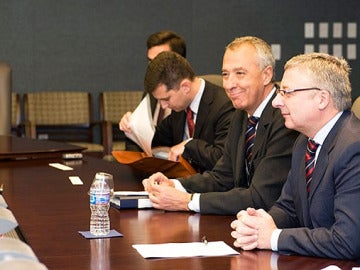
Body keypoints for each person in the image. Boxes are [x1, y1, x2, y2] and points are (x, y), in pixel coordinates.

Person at [142, 36, 299, 215]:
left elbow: (260, 197)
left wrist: (188, 201)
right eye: (225, 74)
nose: (230, 84)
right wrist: (175, 185)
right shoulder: (241, 114)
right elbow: (223, 177)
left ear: (267, 74)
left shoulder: (285, 118)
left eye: (240, 73)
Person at [230, 52, 360, 259]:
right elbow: (288, 207)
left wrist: (273, 238)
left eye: (287, 93)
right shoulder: (304, 141)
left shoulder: (354, 148)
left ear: (322, 99)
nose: (276, 102)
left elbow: (347, 241)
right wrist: (258, 225)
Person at [144, 51, 234, 172]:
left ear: (185, 87)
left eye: (166, 99)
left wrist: (189, 145)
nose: (163, 106)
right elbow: (158, 139)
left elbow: (224, 160)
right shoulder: (180, 106)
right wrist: (133, 127)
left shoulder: (225, 106)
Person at [119, 30, 186, 150]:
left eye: (160, 60)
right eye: (150, 61)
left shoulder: (188, 96)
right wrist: (131, 127)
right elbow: (139, 140)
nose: (153, 67)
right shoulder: (151, 91)